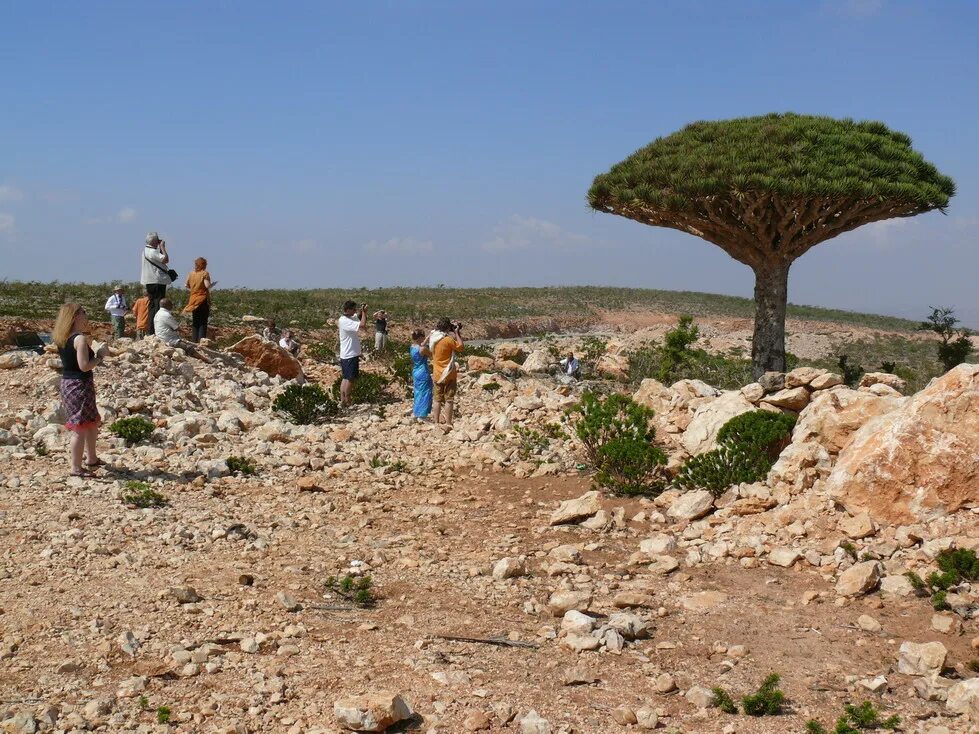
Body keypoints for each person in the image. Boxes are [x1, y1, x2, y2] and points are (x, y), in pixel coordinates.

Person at [52, 303, 107, 476]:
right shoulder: (79, 339)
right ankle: (76, 467)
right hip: (80, 385)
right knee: (80, 427)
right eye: (83, 312)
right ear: (75, 316)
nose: (86, 315)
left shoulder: (63, 337)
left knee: (90, 422)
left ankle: (92, 458)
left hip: (70, 383)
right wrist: (99, 356)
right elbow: (84, 366)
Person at [429, 317, 464, 425]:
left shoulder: (433, 338)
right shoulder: (448, 340)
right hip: (449, 373)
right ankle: (448, 423)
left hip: (437, 373)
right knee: (449, 399)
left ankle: (436, 422)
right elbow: (460, 347)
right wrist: (456, 333)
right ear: (448, 327)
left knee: (437, 399)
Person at [337, 300, 367, 407]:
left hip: (347, 354)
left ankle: (343, 400)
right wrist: (364, 313)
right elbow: (362, 325)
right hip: (350, 354)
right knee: (350, 379)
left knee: (345, 378)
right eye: (353, 309)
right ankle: (347, 400)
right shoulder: (345, 321)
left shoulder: (348, 318)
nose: (355, 311)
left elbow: (357, 317)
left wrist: (361, 311)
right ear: (348, 310)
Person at [140, 232, 171, 335]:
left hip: (149, 281)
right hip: (157, 281)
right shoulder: (152, 252)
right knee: (158, 306)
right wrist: (162, 247)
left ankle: (150, 331)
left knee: (152, 306)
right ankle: (156, 331)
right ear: (154, 241)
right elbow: (165, 259)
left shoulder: (145, 251)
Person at [183, 257, 217, 343]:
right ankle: (201, 342)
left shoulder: (191, 273)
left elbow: (186, 285)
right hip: (202, 299)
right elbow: (207, 286)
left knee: (195, 321)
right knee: (203, 321)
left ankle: (194, 341)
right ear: (203, 265)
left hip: (193, 299)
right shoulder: (205, 273)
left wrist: (194, 288)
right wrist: (213, 284)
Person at [409, 329, 433, 419]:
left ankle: (417, 412)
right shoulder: (423, 349)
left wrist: (428, 337)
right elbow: (431, 355)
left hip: (416, 371)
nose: (424, 338)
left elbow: (421, 344)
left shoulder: (412, 347)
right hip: (423, 371)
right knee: (425, 392)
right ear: (419, 338)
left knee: (418, 392)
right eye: (423, 336)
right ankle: (422, 414)